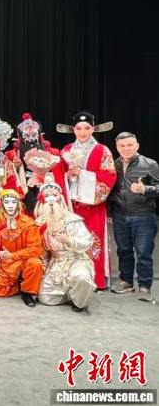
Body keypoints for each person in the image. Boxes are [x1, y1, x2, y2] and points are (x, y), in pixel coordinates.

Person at [58, 111, 117, 289]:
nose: (82, 132)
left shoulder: (102, 150)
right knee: (70, 240)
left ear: (93, 129)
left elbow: (108, 176)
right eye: (78, 128)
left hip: (93, 207)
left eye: (87, 128)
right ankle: (71, 280)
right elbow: (59, 175)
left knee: (93, 241)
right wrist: (67, 176)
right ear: (73, 130)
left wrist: (82, 174)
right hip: (71, 207)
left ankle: (97, 280)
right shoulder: (66, 150)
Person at [108, 132, 159, 302]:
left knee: (144, 253)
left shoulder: (149, 164)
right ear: (117, 148)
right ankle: (126, 281)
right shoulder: (113, 165)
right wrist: (109, 212)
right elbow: (110, 190)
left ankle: (144, 286)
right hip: (119, 216)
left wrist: (145, 189)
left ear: (137, 145)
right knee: (123, 251)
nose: (126, 148)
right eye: (122, 146)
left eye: (130, 145)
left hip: (143, 216)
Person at [34, 177, 96, 312]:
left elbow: (87, 242)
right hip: (56, 261)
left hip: (76, 259)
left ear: (60, 198)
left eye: (54, 195)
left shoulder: (73, 220)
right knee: (45, 298)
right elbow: (41, 250)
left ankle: (79, 302)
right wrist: (43, 267)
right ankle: (70, 293)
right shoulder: (39, 223)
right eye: (47, 196)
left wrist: (70, 240)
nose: (51, 199)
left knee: (82, 278)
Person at [0, 189, 43, 307]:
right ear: (1, 204)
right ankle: (17, 286)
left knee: (36, 263)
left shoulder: (29, 223)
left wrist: (13, 255)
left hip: (24, 259)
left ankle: (27, 292)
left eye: (13, 202)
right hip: (6, 263)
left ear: (18, 204)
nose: (10, 205)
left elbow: (35, 249)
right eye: (7, 202)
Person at [4, 113, 67, 213]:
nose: (31, 138)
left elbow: (59, 172)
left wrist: (48, 169)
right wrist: (16, 166)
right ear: (20, 136)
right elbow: (7, 176)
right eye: (27, 135)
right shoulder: (13, 154)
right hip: (25, 184)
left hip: (45, 184)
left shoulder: (52, 152)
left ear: (39, 135)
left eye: (34, 135)